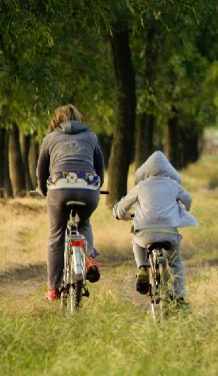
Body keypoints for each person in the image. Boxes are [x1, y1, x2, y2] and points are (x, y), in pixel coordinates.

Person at [36, 104, 104, 301]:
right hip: (88, 189)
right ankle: (90, 257)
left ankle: (53, 288)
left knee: (56, 234)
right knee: (84, 223)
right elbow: (100, 168)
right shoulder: (91, 136)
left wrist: (42, 190)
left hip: (59, 189)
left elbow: (42, 172)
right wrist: (96, 187)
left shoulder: (50, 139)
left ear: (57, 120)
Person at [113, 151, 198, 306]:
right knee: (175, 262)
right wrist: (183, 209)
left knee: (137, 242)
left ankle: (142, 268)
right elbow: (188, 200)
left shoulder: (141, 186)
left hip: (144, 233)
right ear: (169, 170)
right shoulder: (173, 184)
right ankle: (179, 297)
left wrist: (121, 215)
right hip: (169, 233)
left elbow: (122, 207)